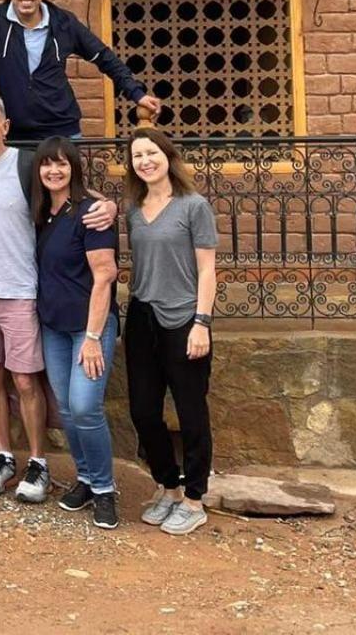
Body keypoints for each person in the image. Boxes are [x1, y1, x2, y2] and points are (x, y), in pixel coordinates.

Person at [0, 95, 117, 505]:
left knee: (26, 379)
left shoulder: (26, 165)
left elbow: (68, 185)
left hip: (21, 290)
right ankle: (4, 456)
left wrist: (108, 205)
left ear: (5, 127)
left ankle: (39, 462)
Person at [123, 127, 218, 536]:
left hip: (184, 318)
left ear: (167, 156)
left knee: (191, 412)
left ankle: (195, 498)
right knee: (143, 410)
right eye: (137, 155)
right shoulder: (133, 210)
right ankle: (168, 486)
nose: (145, 161)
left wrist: (202, 322)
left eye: (151, 153)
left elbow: (207, 269)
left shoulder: (193, 206)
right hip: (143, 317)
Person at [32, 136, 122, 529]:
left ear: (74, 168)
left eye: (62, 164)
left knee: (85, 406)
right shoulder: (43, 213)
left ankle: (104, 490)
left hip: (89, 328)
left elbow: (105, 275)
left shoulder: (92, 214)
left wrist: (92, 337)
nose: (54, 170)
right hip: (53, 325)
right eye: (47, 164)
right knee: (67, 409)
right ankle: (85, 478)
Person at [0, 0, 162, 142]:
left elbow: (104, 57)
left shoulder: (63, 22)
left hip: (62, 129)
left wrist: (137, 94)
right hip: (16, 133)